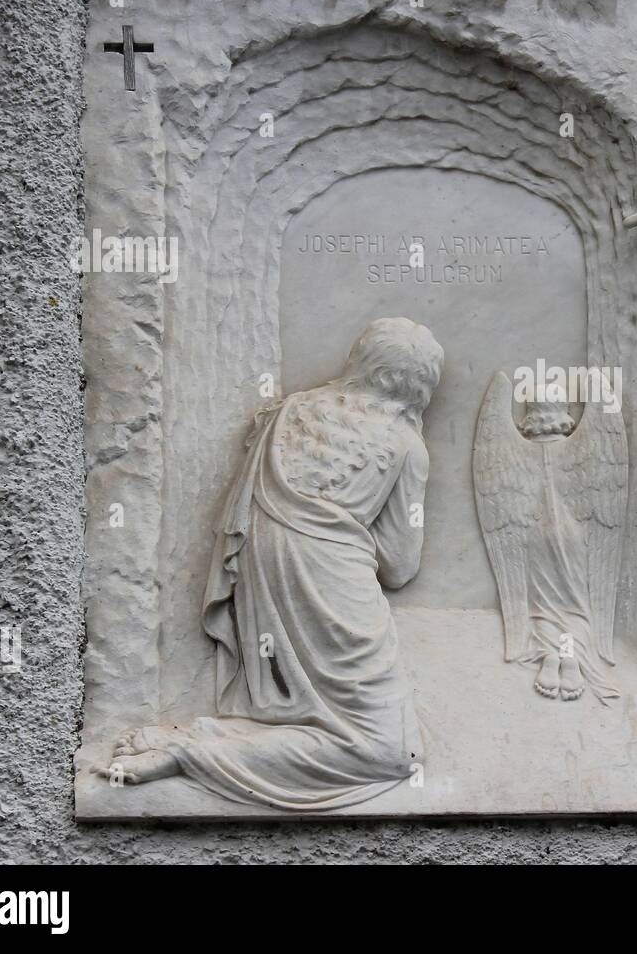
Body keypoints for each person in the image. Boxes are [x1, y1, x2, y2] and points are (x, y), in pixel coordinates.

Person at [99, 317, 443, 810]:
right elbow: (400, 566)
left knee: (298, 712)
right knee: (389, 751)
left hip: (264, 573)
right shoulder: (406, 444)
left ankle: (207, 734)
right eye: (426, 384)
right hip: (334, 585)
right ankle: (187, 753)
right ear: (405, 383)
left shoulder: (291, 411)